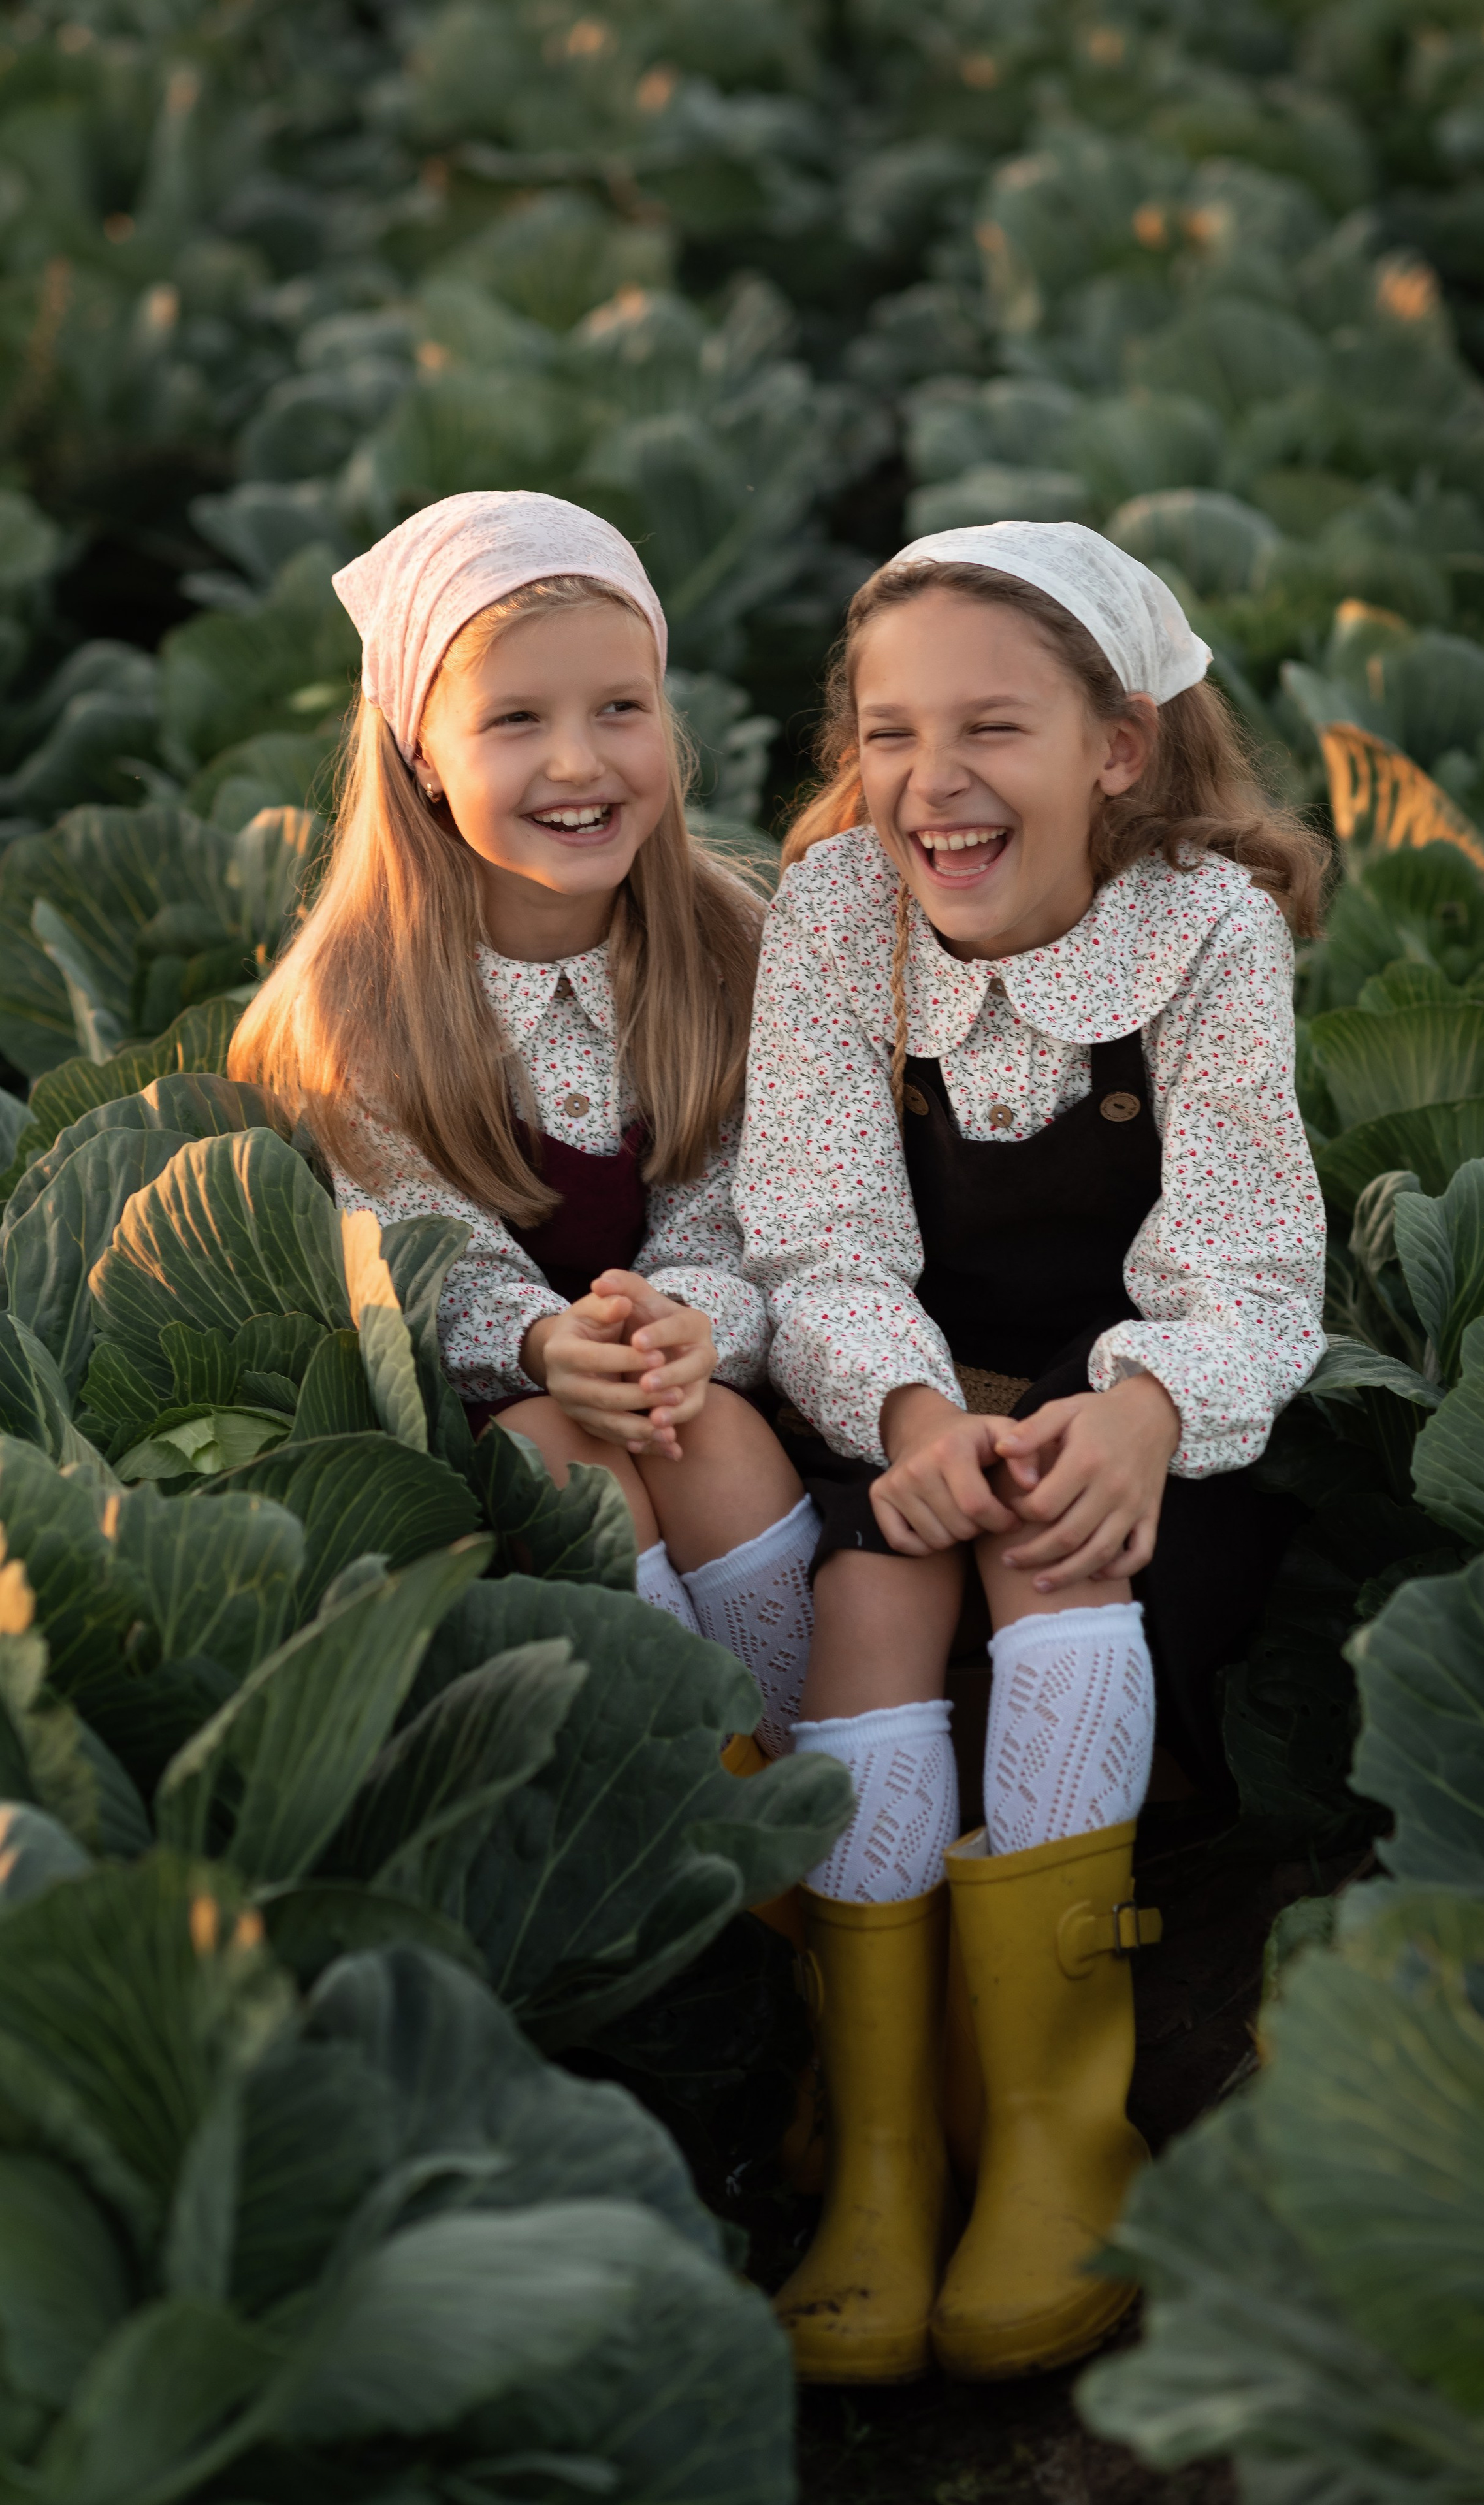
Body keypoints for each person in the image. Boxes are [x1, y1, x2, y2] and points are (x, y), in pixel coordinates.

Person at [735, 521, 1329, 2384]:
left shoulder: (1210, 930)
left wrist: (1143, 1407)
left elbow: (1242, 1245)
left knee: (1056, 1552)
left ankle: (1061, 2133)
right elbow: (816, 1234)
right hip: (901, 1390)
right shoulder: (836, 915)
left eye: (994, 725)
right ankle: (888, 2143)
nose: (933, 779)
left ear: (1121, 749)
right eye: (892, 730)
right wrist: (910, 1421)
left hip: (1144, 1422)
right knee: (870, 1592)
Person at [231, 490, 815, 1744]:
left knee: (712, 1437)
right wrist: (555, 1348)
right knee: (569, 1453)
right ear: (423, 759)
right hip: (483, 1397)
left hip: (684, 1360)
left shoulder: (732, 947)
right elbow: (426, 1258)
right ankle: (676, 1780)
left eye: (622, 707)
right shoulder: (362, 1005)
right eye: (515, 721)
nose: (579, 762)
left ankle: (798, 1769)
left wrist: (680, 1325)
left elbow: (749, 1205)